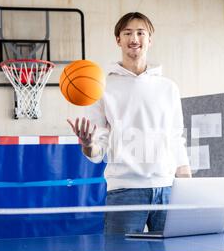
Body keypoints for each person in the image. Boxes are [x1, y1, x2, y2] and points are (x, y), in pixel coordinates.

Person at [68, 12, 191, 234]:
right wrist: (87, 143)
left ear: (150, 39)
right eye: (127, 33)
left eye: (140, 33)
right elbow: (97, 151)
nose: (134, 38)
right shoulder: (102, 87)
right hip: (124, 191)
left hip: (167, 190)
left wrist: (187, 182)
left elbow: (175, 138)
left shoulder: (168, 87)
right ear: (118, 40)